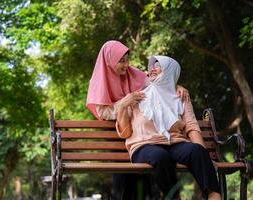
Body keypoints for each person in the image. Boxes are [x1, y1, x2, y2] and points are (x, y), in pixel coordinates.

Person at [86, 40, 189, 199]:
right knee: (125, 180)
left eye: (127, 60)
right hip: (116, 137)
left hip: (141, 135)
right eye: (121, 60)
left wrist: (177, 87)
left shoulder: (134, 74)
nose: (126, 65)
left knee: (148, 172)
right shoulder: (98, 81)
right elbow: (103, 113)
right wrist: (124, 103)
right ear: (109, 60)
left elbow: (159, 83)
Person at [115, 55, 221, 199]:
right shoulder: (137, 96)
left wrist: (205, 156)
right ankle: (174, 197)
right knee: (160, 156)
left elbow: (191, 126)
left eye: (157, 65)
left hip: (174, 143)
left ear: (169, 70)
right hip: (144, 146)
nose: (151, 69)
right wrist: (122, 105)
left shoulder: (180, 96)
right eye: (151, 66)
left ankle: (214, 196)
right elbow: (125, 133)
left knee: (197, 150)